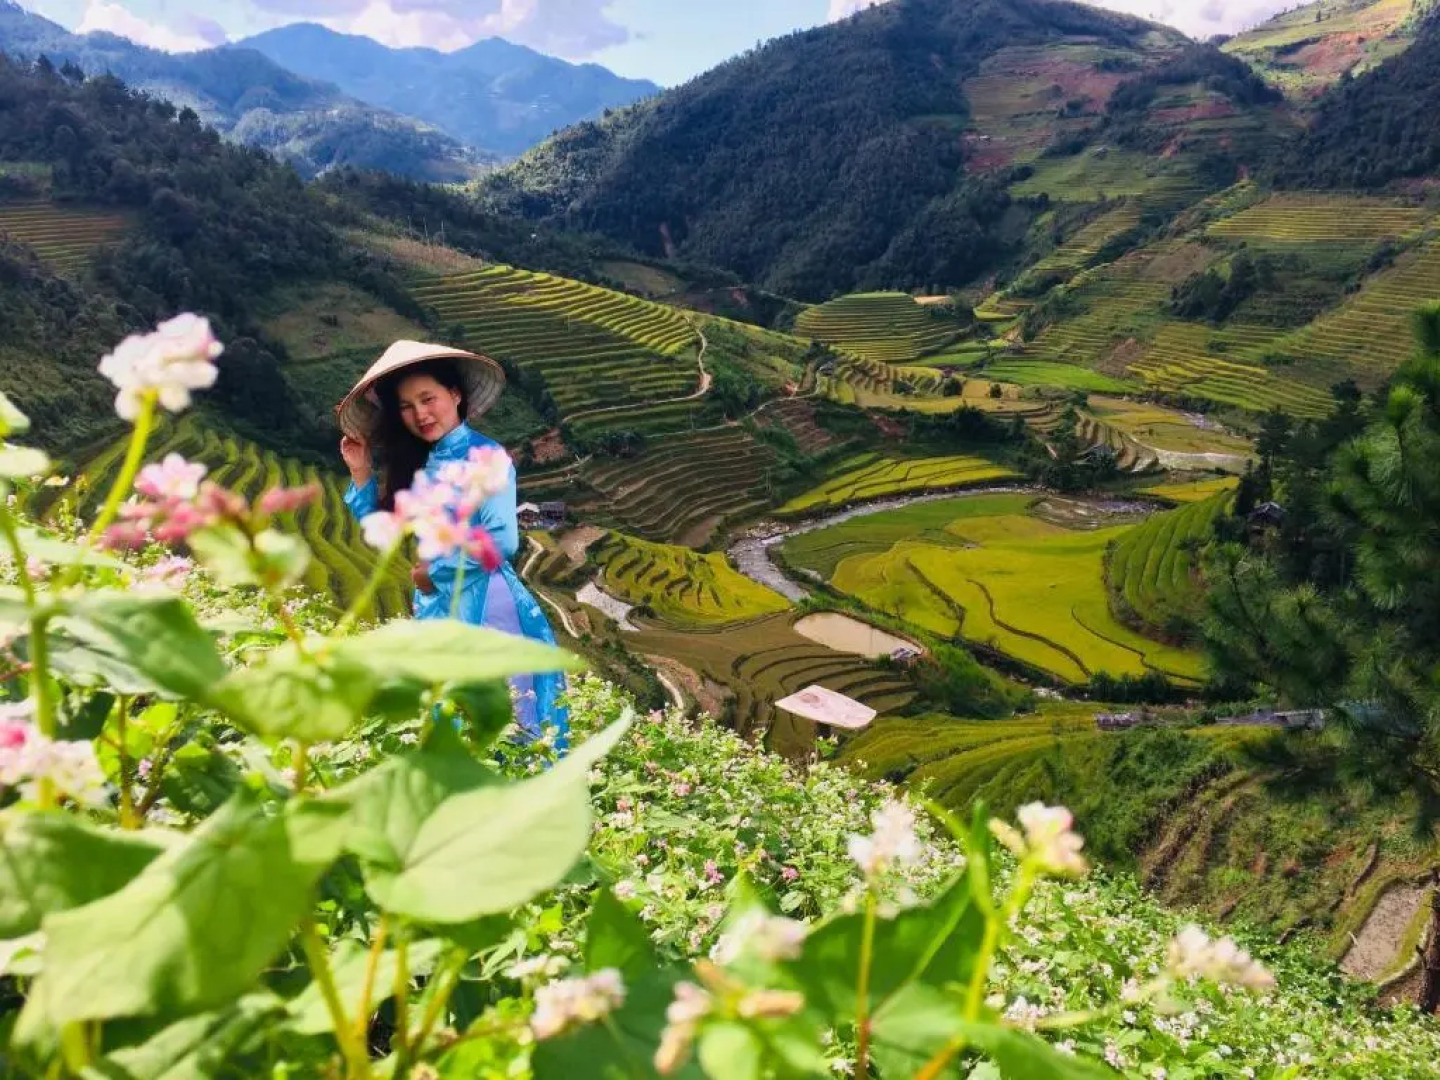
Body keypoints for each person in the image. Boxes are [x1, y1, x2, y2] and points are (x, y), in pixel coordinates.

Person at [336, 340, 569, 747]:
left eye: (428, 399)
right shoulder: (422, 462)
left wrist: (434, 573)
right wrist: (361, 472)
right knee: (454, 722)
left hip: (486, 602)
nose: (420, 414)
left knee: (506, 723)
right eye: (407, 407)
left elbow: (502, 540)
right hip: (437, 604)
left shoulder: (487, 456)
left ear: (455, 395)